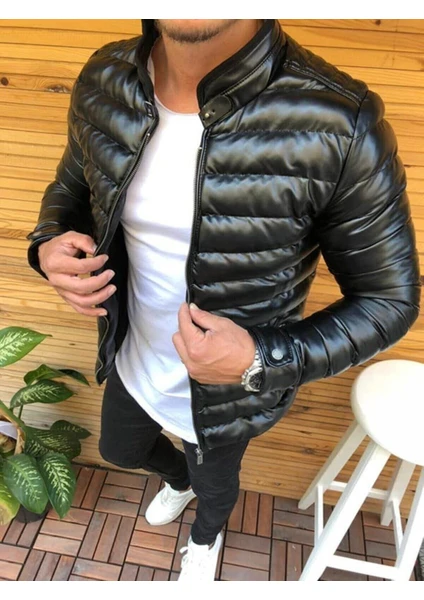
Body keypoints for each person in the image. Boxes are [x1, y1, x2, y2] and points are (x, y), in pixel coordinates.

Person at [26, 19, 421, 581]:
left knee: (216, 486)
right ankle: (178, 481)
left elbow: (390, 300)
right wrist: (47, 243)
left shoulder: (340, 120)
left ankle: (206, 537)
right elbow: (71, 189)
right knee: (120, 451)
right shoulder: (105, 77)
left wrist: (262, 359)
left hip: (228, 390)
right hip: (134, 353)